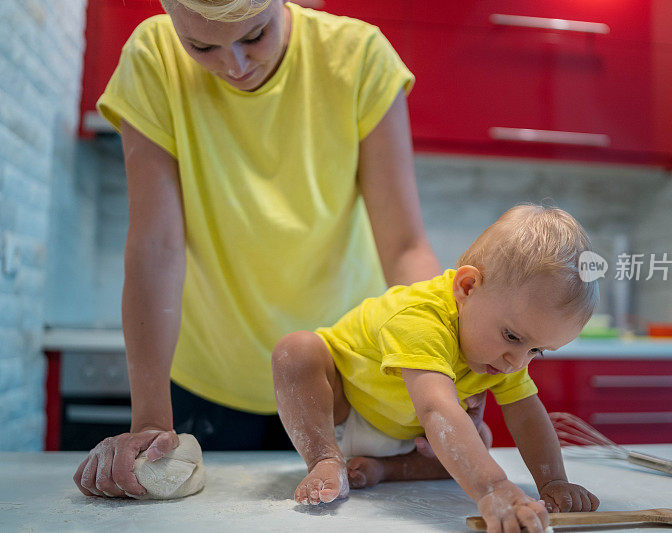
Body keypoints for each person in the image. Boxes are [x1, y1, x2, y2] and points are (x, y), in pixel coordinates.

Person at [73, 0, 492, 499]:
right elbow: (155, 248)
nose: (235, 65)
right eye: (201, 45)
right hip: (211, 377)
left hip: (347, 379)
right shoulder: (152, 58)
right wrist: (149, 419)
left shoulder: (358, 58)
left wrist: (439, 364)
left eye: (255, 36)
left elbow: (403, 246)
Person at [273, 205, 601, 532]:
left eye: (536, 350)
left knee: (477, 439)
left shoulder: (508, 348)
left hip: (409, 438)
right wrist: (492, 489)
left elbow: (528, 414)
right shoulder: (420, 319)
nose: (517, 361)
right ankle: (324, 459)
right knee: (296, 350)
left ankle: (382, 469)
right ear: (468, 286)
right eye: (512, 337)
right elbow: (436, 409)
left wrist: (554, 480)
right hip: (340, 413)